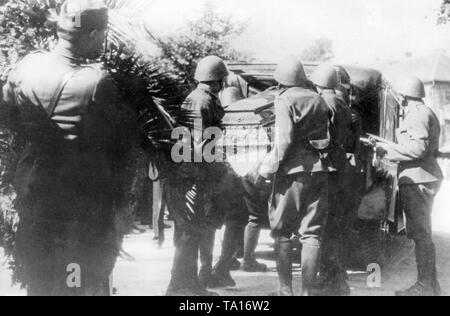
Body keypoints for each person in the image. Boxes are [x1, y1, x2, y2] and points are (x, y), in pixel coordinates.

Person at [0, 0, 137, 296]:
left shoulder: (26, 66)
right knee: (74, 282)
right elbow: (121, 148)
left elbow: (7, 118)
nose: (103, 40)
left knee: (40, 282)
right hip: (80, 208)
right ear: (90, 35)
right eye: (102, 33)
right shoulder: (98, 82)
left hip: (34, 195)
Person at [256, 57, 331, 296]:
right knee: (311, 233)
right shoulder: (319, 100)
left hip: (291, 173)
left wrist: (266, 169)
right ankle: (308, 293)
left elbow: (284, 139)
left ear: (281, 80)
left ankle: (285, 292)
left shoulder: (283, 100)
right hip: (319, 171)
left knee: (282, 231)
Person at [166, 56, 228, 296]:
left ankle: (189, 284)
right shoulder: (202, 101)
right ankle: (178, 287)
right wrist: (219, 170)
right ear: (219, 80)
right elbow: (203, 145)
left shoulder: (198, 98)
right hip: (192, 175)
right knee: (189, 232)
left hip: (190, 173)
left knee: (190, 230)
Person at [375, 76, 443, 296]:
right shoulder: (425, 112)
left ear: (405, 96)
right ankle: (430, 286)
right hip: (422, 176)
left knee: (420, 235)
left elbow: (417, 150)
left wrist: (387, 151)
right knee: (422, 234)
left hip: (418, 179)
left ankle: (424, 287)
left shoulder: (417, 115)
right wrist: (388, 145)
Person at [310, 64, 354, 296]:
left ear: (318, 83)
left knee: (325, 225)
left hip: (329, 168)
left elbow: (322, 138)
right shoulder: (342, 103)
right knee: (335, 225)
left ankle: (331, 281)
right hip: (340, 166)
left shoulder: (323, 103)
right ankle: (336, 279)